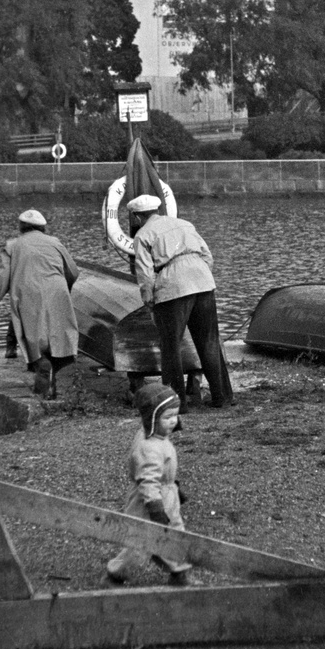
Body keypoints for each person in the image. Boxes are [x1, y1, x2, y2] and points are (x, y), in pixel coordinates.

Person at [127, 194, 233, 413]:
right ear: (157, 209)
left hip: (173, 286)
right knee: (210, 341)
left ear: (137, 216)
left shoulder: (143, 235)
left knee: (171, 346)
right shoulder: (184, 224)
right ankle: (222, 397)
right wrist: (199, 278)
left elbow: (145, 275)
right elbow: (207, 256)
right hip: (202, 280)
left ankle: (177, 402)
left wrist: (149, 300)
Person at [0, 209, 79, 399]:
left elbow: (2, 277)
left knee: (34, 338)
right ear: (43, 227)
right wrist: (64, 287)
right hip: (57, 290)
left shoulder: (13, 246)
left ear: (21, 227)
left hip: (29, 294)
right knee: (58, 337)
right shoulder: (55, 242)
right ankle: (50, 386)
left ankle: (43, 374)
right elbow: (73, 271)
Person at [106, 383, 192, 586]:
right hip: (149, 500)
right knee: (141, 541)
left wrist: (173, 487)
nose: (173, 421)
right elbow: (148, 479)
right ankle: (116, 573)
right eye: (167, 417)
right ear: (152, 418)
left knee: (173, 535)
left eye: (175, 415)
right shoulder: (149, 447)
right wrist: (155, 506)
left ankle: (179, 572)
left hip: (165, 494)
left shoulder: (157, 437)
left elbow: (161, 470)